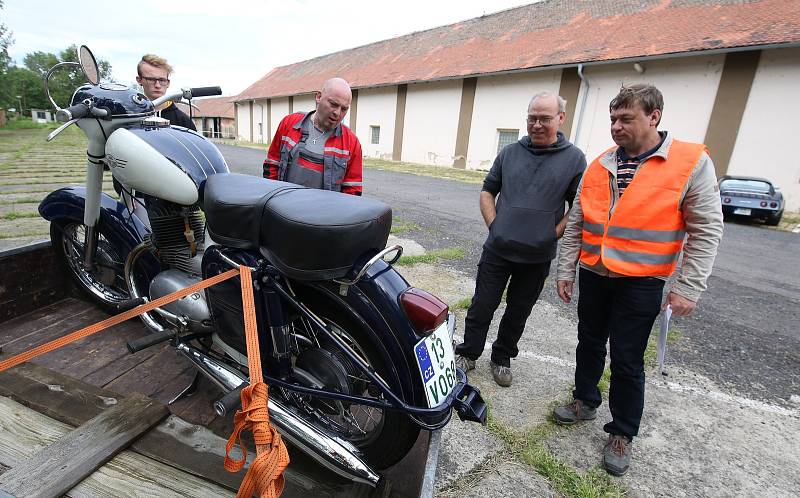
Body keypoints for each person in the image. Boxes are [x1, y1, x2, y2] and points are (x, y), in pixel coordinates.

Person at [553, 84, 723, 476]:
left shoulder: (690, 162)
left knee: (628, 359)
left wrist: (688, 287)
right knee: (589, 343)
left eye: (625, 119)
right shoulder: (601, 164)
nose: (615, 126)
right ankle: (584, 400)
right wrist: (566, 270)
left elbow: (707, 230)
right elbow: (577, 220)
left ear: (654, 116)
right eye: (612, 119)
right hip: (595, 273)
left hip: (641, 282)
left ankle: (622, 432)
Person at [454, 92, 586, 387]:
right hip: (498, 250)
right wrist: (495, 226)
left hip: (536, 257)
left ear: (560, 119)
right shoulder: (510, 153)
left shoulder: (574, 159)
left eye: (545, 118)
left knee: (518, 312)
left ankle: (501, 358)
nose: (537, 124)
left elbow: (578, 206)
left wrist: (551, 233)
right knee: (482, 305)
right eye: (532, 118)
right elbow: (488, 191)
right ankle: (469, 352)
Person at [263, 78, 362, 195]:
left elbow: (353, 192)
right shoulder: (289, 124)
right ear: (319, 97)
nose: (338, 113)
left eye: (344, 109)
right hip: (283, 208)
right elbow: (271, 166)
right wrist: (272, 200)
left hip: (324, 212)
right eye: (333, 104)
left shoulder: (351, 143)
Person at [136, 54, 196, 130]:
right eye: (151, 79)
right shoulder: (129, 116)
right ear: (139, 80)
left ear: (168, 83)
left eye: (162, 80)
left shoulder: (183, 122)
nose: (157, 85)